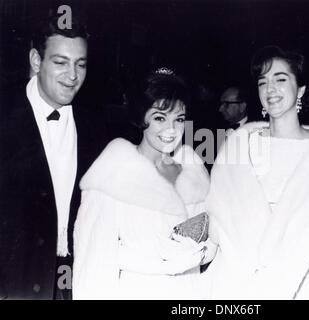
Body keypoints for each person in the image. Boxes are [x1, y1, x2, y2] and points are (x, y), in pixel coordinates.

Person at [205, 46, 309, 299]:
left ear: (301, 88)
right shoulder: (238, 144)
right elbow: (217, 218)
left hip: (296, 283)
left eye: (280, 79)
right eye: (263, 82)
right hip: (234, 281)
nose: (270, 90)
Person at [72, 68, 216, 299]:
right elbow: (93, 263)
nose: (171, 130)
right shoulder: (113, 172)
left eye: (178, 119)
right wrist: (166, 263)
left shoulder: (194, 169)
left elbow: (215, 236)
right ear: (141, 118)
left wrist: (198, 254)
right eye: (159, 117)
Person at [0, 15, 107, 300]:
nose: (72, 76)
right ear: (36, 61)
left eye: (80, 64)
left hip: (76, 281)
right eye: (60, 62)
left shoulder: (97, 129)